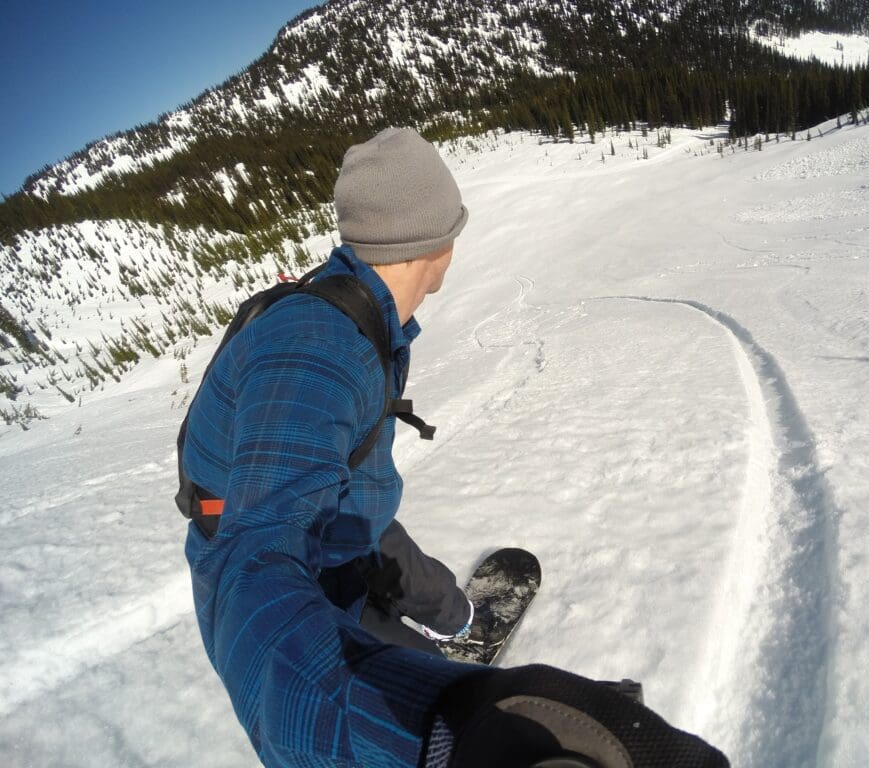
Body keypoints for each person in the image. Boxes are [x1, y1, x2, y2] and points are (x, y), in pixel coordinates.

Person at [181, 128, 729, 768]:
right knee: (414, 662)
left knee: (414, 572)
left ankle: (459, 616)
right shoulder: (316, 351)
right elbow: (255, 576)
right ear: (435, 243)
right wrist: (445, 741)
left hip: (346, 515)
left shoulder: (352, 307)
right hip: (310, 568)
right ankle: (435, 654)